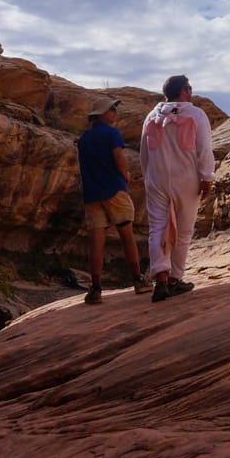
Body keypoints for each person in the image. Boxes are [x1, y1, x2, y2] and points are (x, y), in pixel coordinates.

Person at [140, 75, 215, 303]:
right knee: (183, 231)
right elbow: (204, 149)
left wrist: (148, 177)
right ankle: (175, 279)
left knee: (156, 228)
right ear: (183, 91)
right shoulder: (196, 115)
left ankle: (160, 278)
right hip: (187, 178)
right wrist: (207, 177)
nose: (191, 91)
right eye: (189, 88)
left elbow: (144, 152)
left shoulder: (152, 116)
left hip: (157, 178)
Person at [76, 96, 153, 304]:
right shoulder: (112, 134)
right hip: (114, 191)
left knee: (96, 242)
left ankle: (96, 289)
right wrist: (126, 175)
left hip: (92, 195)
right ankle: (138, 281)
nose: (114, 113)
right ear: (102, 114)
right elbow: (118, 157)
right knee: (127, 236)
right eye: (111, 110)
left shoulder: (84, 139)